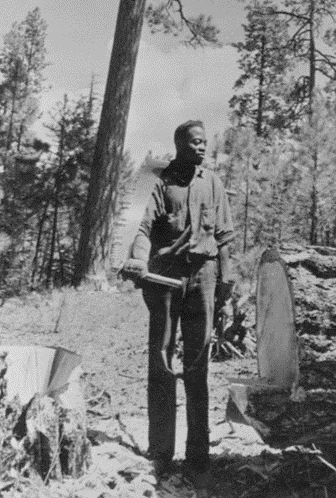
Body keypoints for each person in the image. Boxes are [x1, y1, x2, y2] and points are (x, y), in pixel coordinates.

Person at [123, 120, 234, 490]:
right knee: (161, 360)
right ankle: (161, 451)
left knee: (198, 365)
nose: (201, 147)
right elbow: (140, 230)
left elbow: (224, 237)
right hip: (167, 280)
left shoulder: (213, 183)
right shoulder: (159, 181)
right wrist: (139, 260)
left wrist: (226, 280)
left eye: (205, 142)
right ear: (179, 145)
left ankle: (198, 455)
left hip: (204, 276)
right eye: (194, 142)